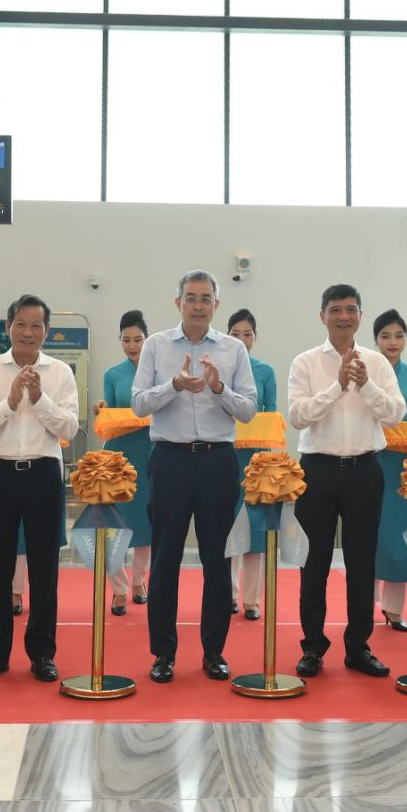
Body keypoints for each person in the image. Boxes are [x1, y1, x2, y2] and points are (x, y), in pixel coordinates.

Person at [132, 270, 258, 683]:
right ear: (178, 303)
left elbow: (248, 410)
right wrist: (174, 385)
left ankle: (214, 652)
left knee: (217, 560)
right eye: (191, 297)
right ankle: (163, 653)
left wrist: (219, 389)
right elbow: (138, 404)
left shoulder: (233, 349)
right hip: (169, 460)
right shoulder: (156, 345)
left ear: (216, 305)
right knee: (165, 559)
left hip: (217, 462)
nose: (198, 305)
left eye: (206, 298)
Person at [287, 283, 406, 679]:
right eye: (335, 309)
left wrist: (365, 384)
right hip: (317, 471)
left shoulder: (377, 362)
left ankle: (358, 647)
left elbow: (395, 414)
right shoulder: (305, 362)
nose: (343, 316)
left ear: (359, 316)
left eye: (351, 309)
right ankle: (313, 647)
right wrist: (337, 385)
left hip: (365, 471)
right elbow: (298, 416)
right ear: (322, 316)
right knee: (314, 563)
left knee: (361, 563)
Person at [0, 294, 78, 683]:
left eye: (37, 326)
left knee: (45, 570)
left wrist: (39, 399)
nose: (29, 332)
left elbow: (69, 428)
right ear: (8, 326)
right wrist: (10, 402)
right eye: (21, 324)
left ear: (47, 330)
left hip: (44, 474)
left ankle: (42, 653)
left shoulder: (60, 373)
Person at [369, 309, 407, 632]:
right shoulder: (365, 372)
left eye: (398, 335)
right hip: (370, 461)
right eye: (385, 336)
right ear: (375, 340)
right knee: (368, 533)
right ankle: (363, 605)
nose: (392, 342)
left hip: (404, 467)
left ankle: (394, 609)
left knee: (398, 535)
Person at [97, 310, 154, 616]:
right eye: (126, 340)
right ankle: (118, 587)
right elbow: (108, 407)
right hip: (118, 454)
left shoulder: (158, 372)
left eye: (138, 339)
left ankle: (139, 581)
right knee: (114, 523)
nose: (132, 345)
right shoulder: (112, 374)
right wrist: (102, 407)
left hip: (151, 451)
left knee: (146, 521)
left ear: (147, 339)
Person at [226, 308, 276, 620]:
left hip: (258, 460)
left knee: (256, 529)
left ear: (255, 338)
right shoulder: (218, 368)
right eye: (236, 334)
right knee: (229, 526)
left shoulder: (265, 371)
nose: (242, 340)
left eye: (247, 334)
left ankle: (252, 599)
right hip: (226, 458)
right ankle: (229, 594)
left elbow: (272, 414)